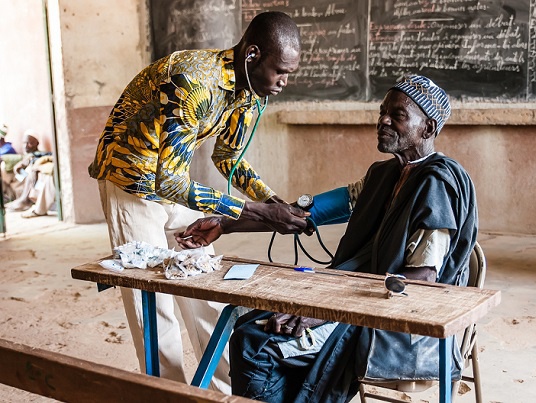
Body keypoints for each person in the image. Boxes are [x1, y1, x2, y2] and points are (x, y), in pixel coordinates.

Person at [176, 75, 478, 402]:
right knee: (252, 323)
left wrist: (327, 310)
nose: (383, 121)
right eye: (382, 112)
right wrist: (227, 223)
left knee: (254, 343)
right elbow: (304, 213)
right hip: (353, 297)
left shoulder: (437, 185)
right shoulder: (382, 175)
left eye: (398, 115)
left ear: (428, 128)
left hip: (391, 322)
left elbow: (420, 280)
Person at [87, 11, 308, 393]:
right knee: (154, 306)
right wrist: (254, 211)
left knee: (206, 290)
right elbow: (167, 179)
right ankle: (169, 395)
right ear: (252, 55)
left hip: (170, 184)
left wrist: (275, 202)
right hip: (131, 184)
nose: (284, 82)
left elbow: (228, 159)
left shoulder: (252, 91)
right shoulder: (195, 80)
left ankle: (230, 391)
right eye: (281, 71)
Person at [4, 133, 51, 211]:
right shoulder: (27, 156)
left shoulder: (39, 155)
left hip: (34, 177)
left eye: (30, 143)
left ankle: (25, 200)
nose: (26, 146)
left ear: (37, 143)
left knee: (32, 169)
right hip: (22, 180)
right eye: (24, 143)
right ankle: (19, 200)